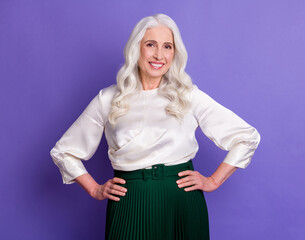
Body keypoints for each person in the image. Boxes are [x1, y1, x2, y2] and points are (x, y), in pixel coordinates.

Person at [50, 13, 260, 240]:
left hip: (182, 201)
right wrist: (94, 188)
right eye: (151, 45)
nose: (159, 54)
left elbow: (247, 137)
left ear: (174, 53)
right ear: (136, 48)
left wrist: (213, 180)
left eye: (167, 46)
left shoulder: (188, 96)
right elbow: (64, 151)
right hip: (129, 201)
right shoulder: (109, 98)